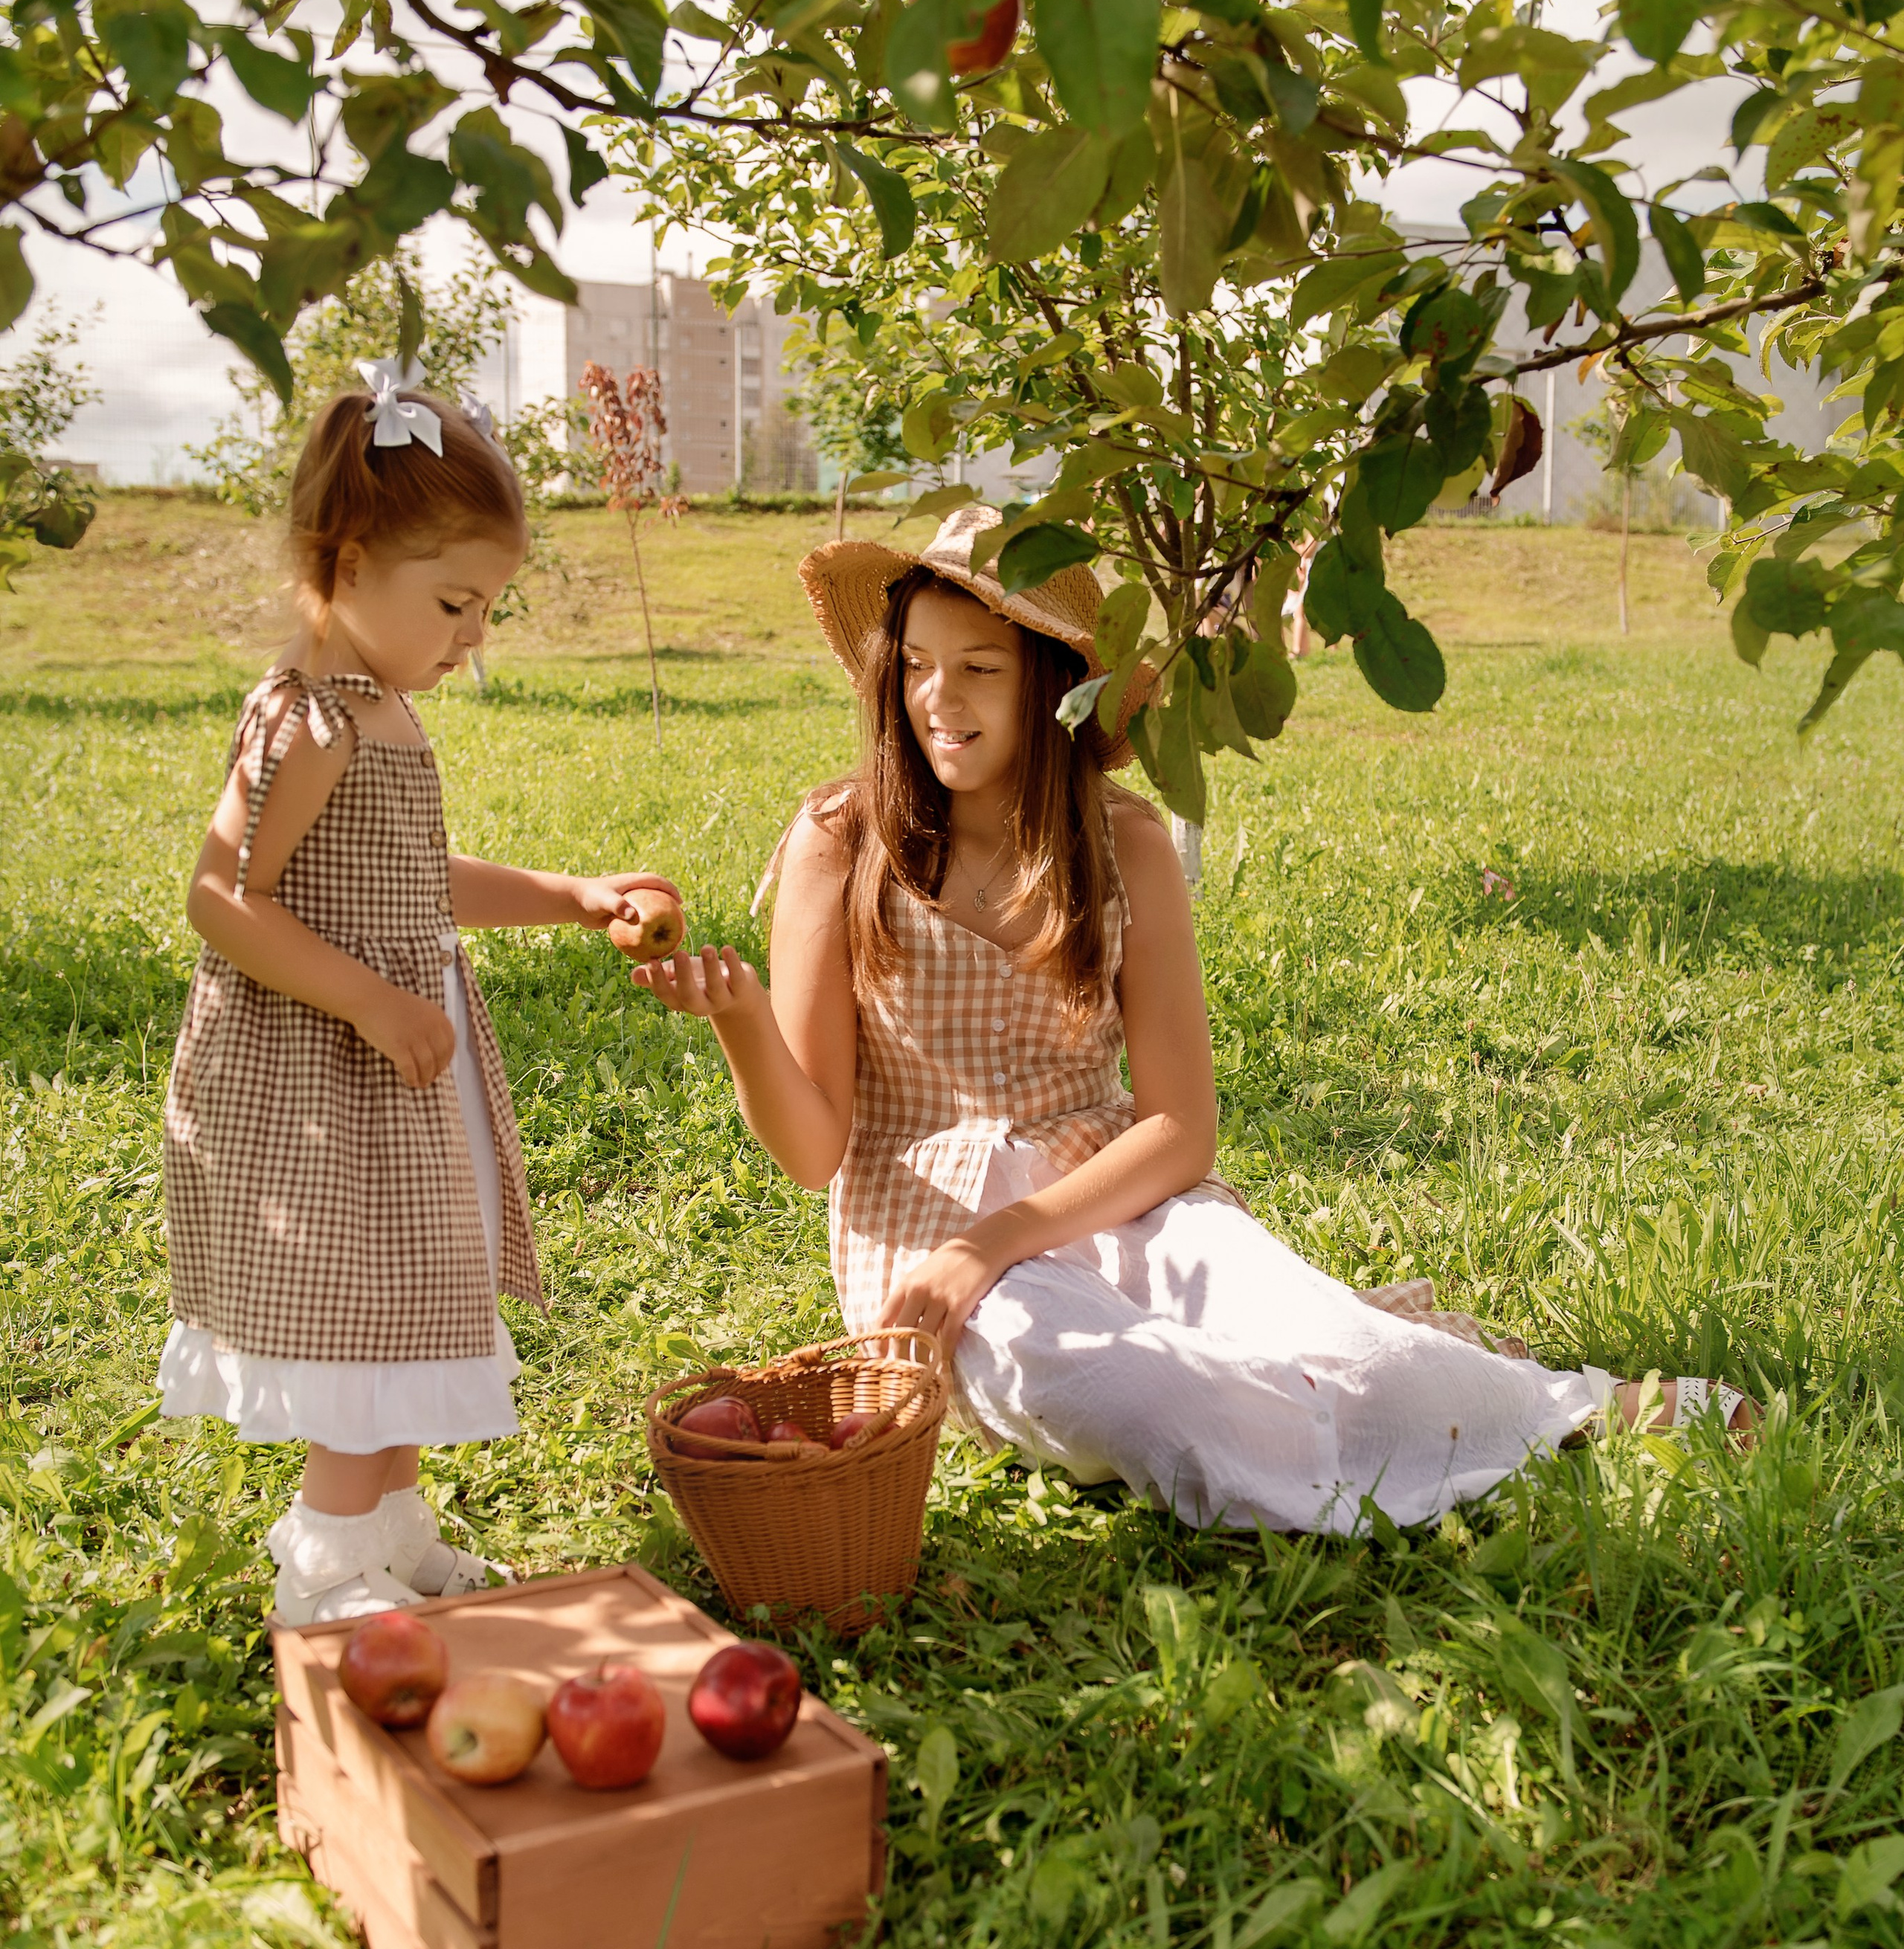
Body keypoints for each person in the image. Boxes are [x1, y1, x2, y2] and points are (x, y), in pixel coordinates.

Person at [621, 503, 1751, 1537]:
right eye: (915, 666)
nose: (938, 701)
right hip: (923, 1240)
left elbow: (1179, 1131)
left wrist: (1004, 1236)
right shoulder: (840, 841)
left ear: (1054, 685)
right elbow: (818, 1152)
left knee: (1341, 1341)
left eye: (978, 668)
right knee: (1136, 1396)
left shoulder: (1126, 843)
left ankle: (1568, 1409)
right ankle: (1390, 1427)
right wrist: (741, 1024)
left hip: (1112, 1194)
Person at [161, 364, 672, 1623]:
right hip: (320, 1081)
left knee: (411, 1302)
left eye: (487, 605)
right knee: (362, 1322)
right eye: (455, 601)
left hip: (388, 1074)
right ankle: (324, 1566)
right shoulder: (304, 720)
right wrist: (373, 1004)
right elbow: (224, 896)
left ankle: (392, 1530)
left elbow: (403, 873)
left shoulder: (375, 705)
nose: (474, 635)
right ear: (345, 561)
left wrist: (563, 891)